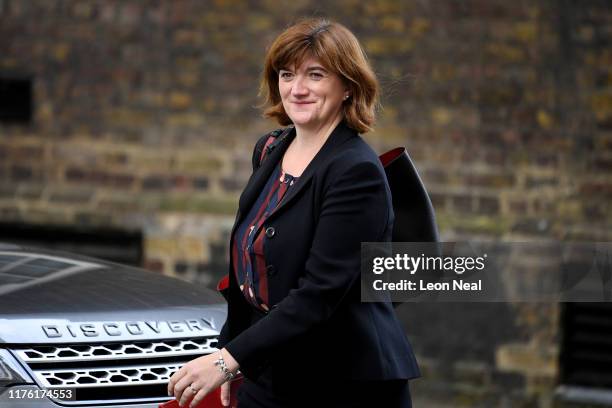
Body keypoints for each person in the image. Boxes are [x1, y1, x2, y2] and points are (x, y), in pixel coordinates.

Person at [167, 17, 420, 408]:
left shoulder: (356, 172)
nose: (297, 89)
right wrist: (237, 354)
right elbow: (246, 277)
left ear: (347, 87)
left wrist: (227, 361)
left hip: (342, 381)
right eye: (287, 74)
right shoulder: (271, 149)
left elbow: (318, 295)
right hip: (274, 366)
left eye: (315, 75)